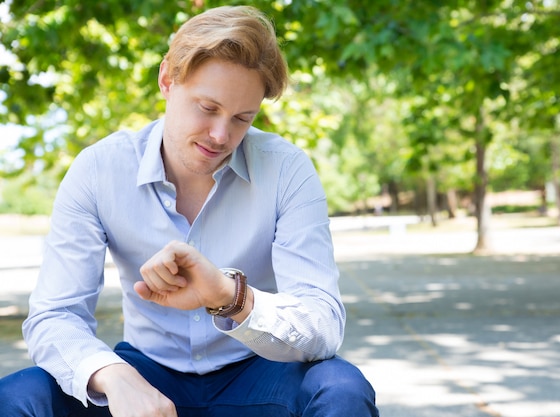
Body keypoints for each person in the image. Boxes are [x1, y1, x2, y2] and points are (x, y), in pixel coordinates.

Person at [0, 5, 378, 417]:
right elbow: (55, 314)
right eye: (208, 108)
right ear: (167, 78)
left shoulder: (287, 169)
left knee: (341, 387)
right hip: (144, 373)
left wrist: (230, 297)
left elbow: (323, 325)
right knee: (21, 395)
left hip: (259, 374)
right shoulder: (99, 169)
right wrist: (111, 374)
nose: (221, 135)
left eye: (242, 118)